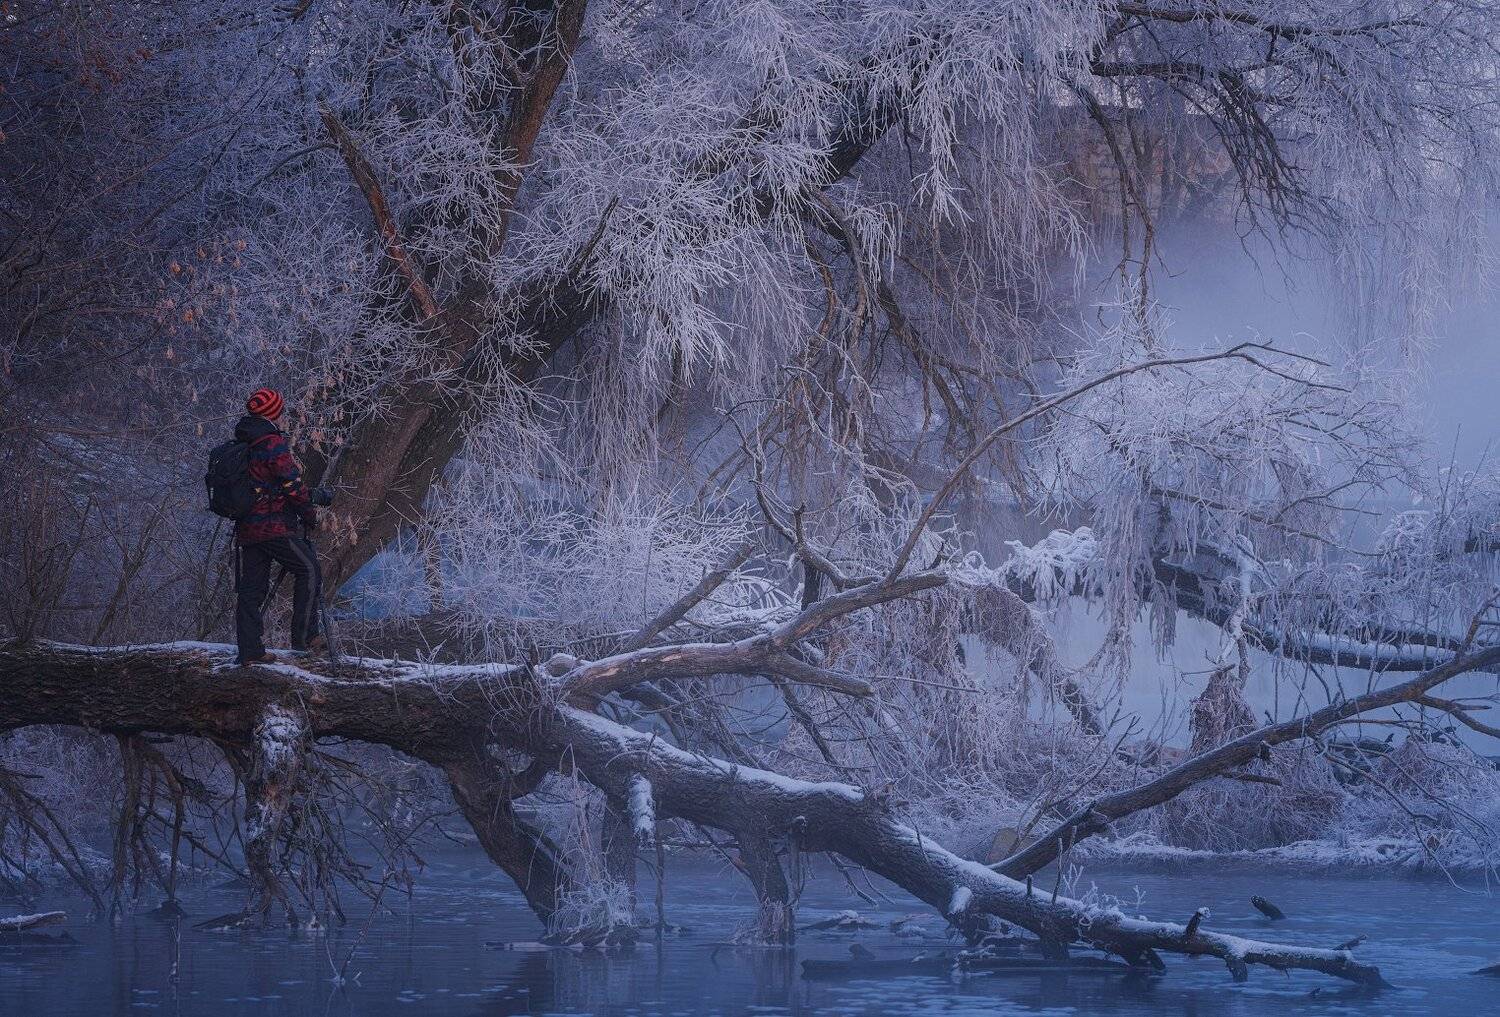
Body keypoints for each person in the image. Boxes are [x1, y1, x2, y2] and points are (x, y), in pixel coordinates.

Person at [231, 387, 324, 665]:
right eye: (280, 411)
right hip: (272, 526)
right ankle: (305, 637)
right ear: (273, 413)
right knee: (309, 568)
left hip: (247, 528)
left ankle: (250, 651)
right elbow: (291, 485)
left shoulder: (244, 441)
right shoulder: (271, 443)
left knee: (251, 590)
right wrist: (309, 513)